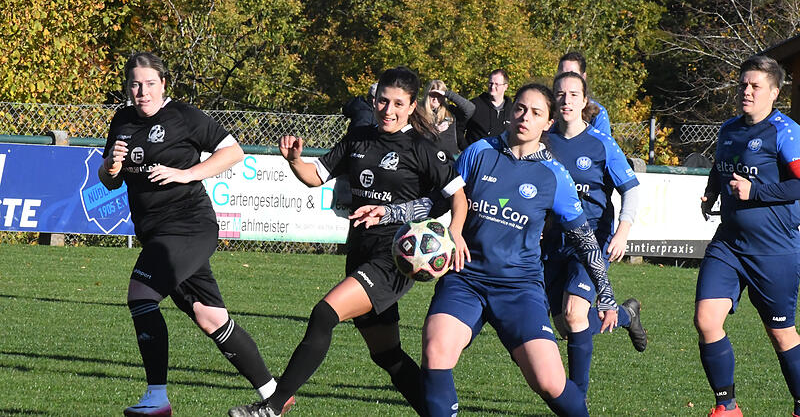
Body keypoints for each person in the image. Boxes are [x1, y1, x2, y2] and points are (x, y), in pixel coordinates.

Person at [352, 83, 619, 416]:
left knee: (549, 382)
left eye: (536, 113)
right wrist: (391, 212)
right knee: (436, 351)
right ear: (511, 112)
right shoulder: (479, 152)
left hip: (519, 288)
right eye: (520, 108)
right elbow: (438, 201)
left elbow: (585, 241)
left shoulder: (554, 176)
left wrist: (605, 293)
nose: (525, 117)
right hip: (465, 279)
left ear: (548, 123)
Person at [228, 66, 468, 417]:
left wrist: (455, 232)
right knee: (387, 355)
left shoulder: (423, 148)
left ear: (412, 105)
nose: (388, 110)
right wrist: (295, 160)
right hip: (359, 251)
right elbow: (315, 176)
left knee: (324, 314)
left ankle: (272, 408)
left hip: (394, 258)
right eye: (382, 101)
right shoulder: (359, 137)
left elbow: (458, 197)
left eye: (398, 104)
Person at [99, 52, 281, 417]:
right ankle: (276, 396)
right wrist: (111, 165)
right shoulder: (122, 120)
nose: (142, 92)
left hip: (189, 226)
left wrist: (187, 174)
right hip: (157, 234)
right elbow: (109, 181)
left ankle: (156, 399)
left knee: (141, 294)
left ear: (163, 84)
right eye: (135, 84)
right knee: (210, 317)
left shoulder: (183, 116)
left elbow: (233, 152)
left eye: (150, 84)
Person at [696, 55, 800, 417]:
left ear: (774, 92)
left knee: (781, 334)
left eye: (756, 86)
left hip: (774, 250)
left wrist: (755, 192)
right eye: (743, 84)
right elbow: (720, 167)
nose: (747, 91)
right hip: (728, 244)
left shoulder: (785, 132)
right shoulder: (729, 129)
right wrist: (712, 191)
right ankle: (726, 407)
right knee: (706, 320)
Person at [543, 71, 647, 398]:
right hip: (552, 242)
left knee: (575, 314)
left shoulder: (601, 143)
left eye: (574, 94)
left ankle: (577, 400)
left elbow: (631, 188)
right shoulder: (542, 140)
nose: (566, 100)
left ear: (584, 101)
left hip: (590, 241)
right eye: (560, 94)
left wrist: (623, 232)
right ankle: (627, 315)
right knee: (567, 326)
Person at [456, 69, 513, 150]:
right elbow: (458, 128)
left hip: (502, 156)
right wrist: (466, 149)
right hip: (476, 155)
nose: (492, 87)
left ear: (505, 86)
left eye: (496, 84)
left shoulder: (512, 110)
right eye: (490, 83)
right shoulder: (474, 105)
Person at [557, 52, 612, 135]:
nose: (567, 78)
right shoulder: (547, 108)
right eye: (563, 74)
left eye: (573, 74)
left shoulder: (597, 113)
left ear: (583, 77)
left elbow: (603, 141)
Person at [421, 79, 475, 156]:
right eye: (433, 95)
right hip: (428, 156)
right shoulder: (419, 112)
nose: (435, 99)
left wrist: (447, 94)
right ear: (427, 95)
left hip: (450, 158)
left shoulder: (450, 111)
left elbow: (470, 109)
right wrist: (433, 131)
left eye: (439, 96)